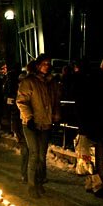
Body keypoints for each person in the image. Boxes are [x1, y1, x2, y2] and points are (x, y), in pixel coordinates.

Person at [75, 55, 103, 196]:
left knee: (91, 157)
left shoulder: (92, 80)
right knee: (97, 157)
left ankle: (92, 184)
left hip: (93, 124)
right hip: (97, 125)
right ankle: (98, 186)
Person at [16, 54, 61, 196]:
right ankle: (31, 185)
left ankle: (40, 182)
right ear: (38, 65)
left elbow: (55, 101)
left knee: (42, 155)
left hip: (45, 123)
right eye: (44, 63)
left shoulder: (51, 82)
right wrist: (28, 118)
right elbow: (22, 101)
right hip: (31, 124)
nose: (47, 66)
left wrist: (56, 116)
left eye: (49, 63)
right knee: (34, 153)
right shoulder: (29, 82)